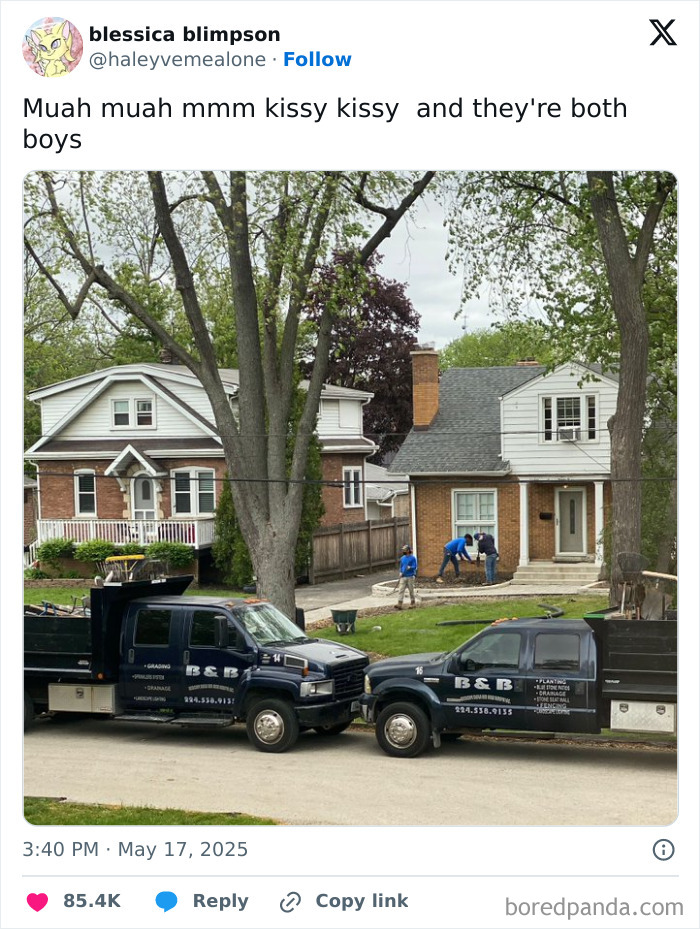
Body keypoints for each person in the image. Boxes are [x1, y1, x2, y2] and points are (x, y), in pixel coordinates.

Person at [395, 544, 418, 609]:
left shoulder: (413, 558)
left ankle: (413, 603)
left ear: (408, 550)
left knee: (411, 590)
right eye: (403, 550)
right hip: (403, 576)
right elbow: (401, 566)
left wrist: (410, 567)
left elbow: (415, 566)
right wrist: (400, 572)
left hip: (410, 576)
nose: (403, 551)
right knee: (401, 590)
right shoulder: (402, 558)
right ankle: (399, 603)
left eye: (405, 550)